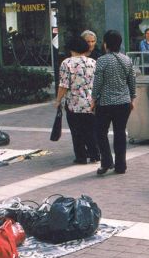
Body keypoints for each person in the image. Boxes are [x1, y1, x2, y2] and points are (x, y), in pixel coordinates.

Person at [91, 30, 136, 175]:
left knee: (100, 132)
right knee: (120, 133)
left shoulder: (102, 60)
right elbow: (132, 82)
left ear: (105, 44)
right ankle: (121, 166)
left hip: (105, 103)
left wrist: (93, 99)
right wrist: (132, 98)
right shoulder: (127, 60)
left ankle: (106, 162)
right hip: (123, 103)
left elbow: (97, 83)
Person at [54, 36, 99, 164]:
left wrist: (58, 100)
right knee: (91, 130)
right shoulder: (92, 62)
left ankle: (81, 156)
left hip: (74, 103)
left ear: (71, 49)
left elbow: (63, 85)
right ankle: (95, 154)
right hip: (90, 103)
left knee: (77, 132)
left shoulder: (66, 63)